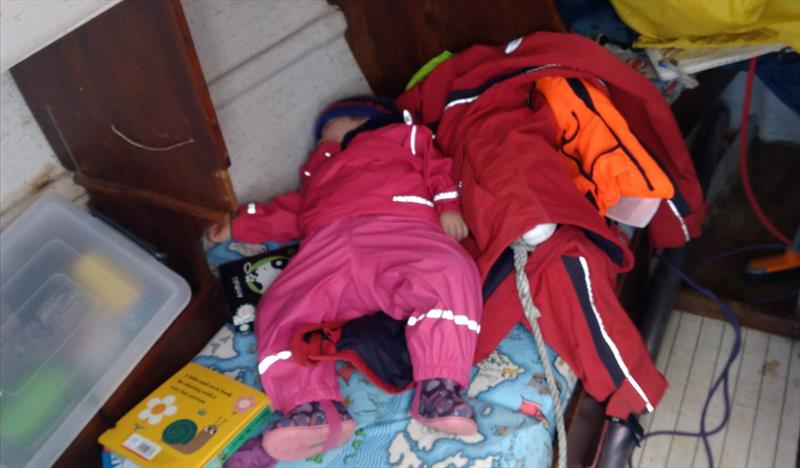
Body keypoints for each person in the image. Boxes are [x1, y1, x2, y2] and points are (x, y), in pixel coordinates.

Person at [208, 97, 482, 461]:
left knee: (451, 271)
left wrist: (448, 206)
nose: (319, 143)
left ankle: (439, 383)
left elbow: (437, 167)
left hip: (399, 229)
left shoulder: (402, 138)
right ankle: (312, 409)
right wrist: (238, 225)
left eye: (324, 134)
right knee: (281, 304)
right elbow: (288, 213)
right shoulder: (318, 177)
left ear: (359, 120)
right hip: (328, 247)